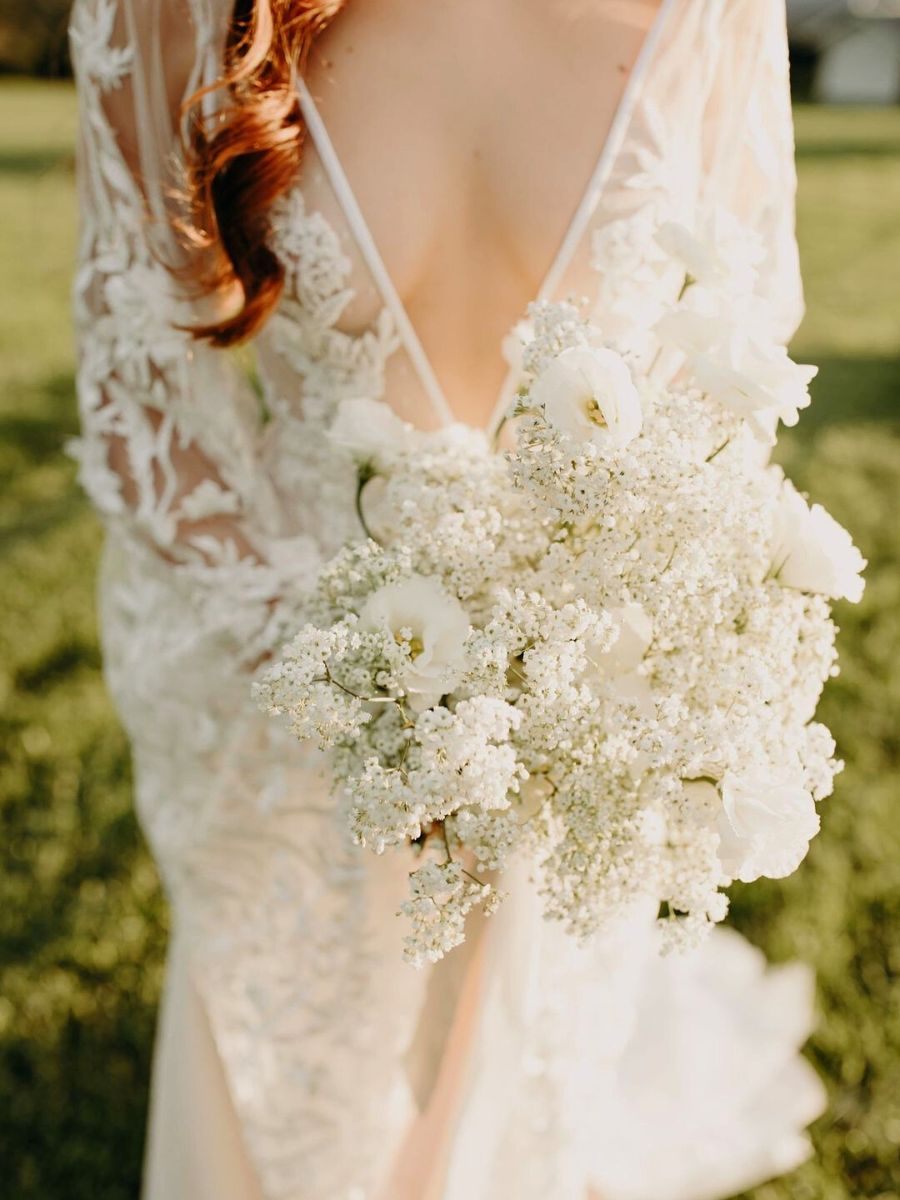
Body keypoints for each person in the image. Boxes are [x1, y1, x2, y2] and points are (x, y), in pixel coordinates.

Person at [68, 1, 826, 1196]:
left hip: (579, 703)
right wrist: (368, 702)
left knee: (519, 1089)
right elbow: (143, 406)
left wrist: (565, 684)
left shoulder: (708, 13)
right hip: (295, 684)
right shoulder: (176, 12)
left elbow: (731, 364)